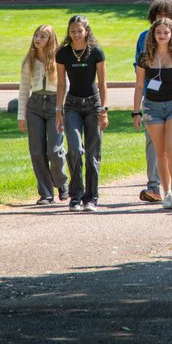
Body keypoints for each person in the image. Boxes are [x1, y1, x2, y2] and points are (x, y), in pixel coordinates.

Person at [133, 0, 172, 203]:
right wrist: (136, 111)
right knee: (159, 151)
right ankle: (161, 189)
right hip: (152, 105)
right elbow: (139, 83)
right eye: (159, 16)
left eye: (167, 17)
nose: (162, 26)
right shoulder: (144, 48)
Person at [55, 15, 108, 212]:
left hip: (93, 105)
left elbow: (102, 84)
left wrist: (104, 110)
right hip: (72, 106)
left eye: (79, 31)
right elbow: (61, 84)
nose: (76, 35)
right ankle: (75, 196)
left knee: (93, 153)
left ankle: (91, 197)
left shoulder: (96, 52)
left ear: (87, 31)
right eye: (72, 31)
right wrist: (58, 110)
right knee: (75, 150)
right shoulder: (63, 53)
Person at [18, 24, 68, 205]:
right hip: (35, 106)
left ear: (50, 40)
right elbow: (24, 89)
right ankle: (46, 193)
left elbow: (65, 85)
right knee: (37, 152)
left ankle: (62, 182)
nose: (38, 39)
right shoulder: (29, 60)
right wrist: (21, 116)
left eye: (43, 36)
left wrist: (61, 109)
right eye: (36, 36)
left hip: (55, 105)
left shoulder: (59, 59)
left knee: (54, 151)